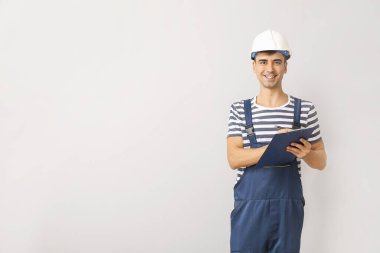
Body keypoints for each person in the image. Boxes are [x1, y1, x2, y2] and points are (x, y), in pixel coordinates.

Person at [226, 29, 327, 253]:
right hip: (249, 208)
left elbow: (321, 161)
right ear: (253, 66)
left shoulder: (304, 110)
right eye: (263, 62)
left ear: (285, 66)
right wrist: (275, 145)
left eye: (276, 62)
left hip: (287, 208)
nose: (269, 69)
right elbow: (234, 158)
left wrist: (306, 152)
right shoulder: (240, 111)